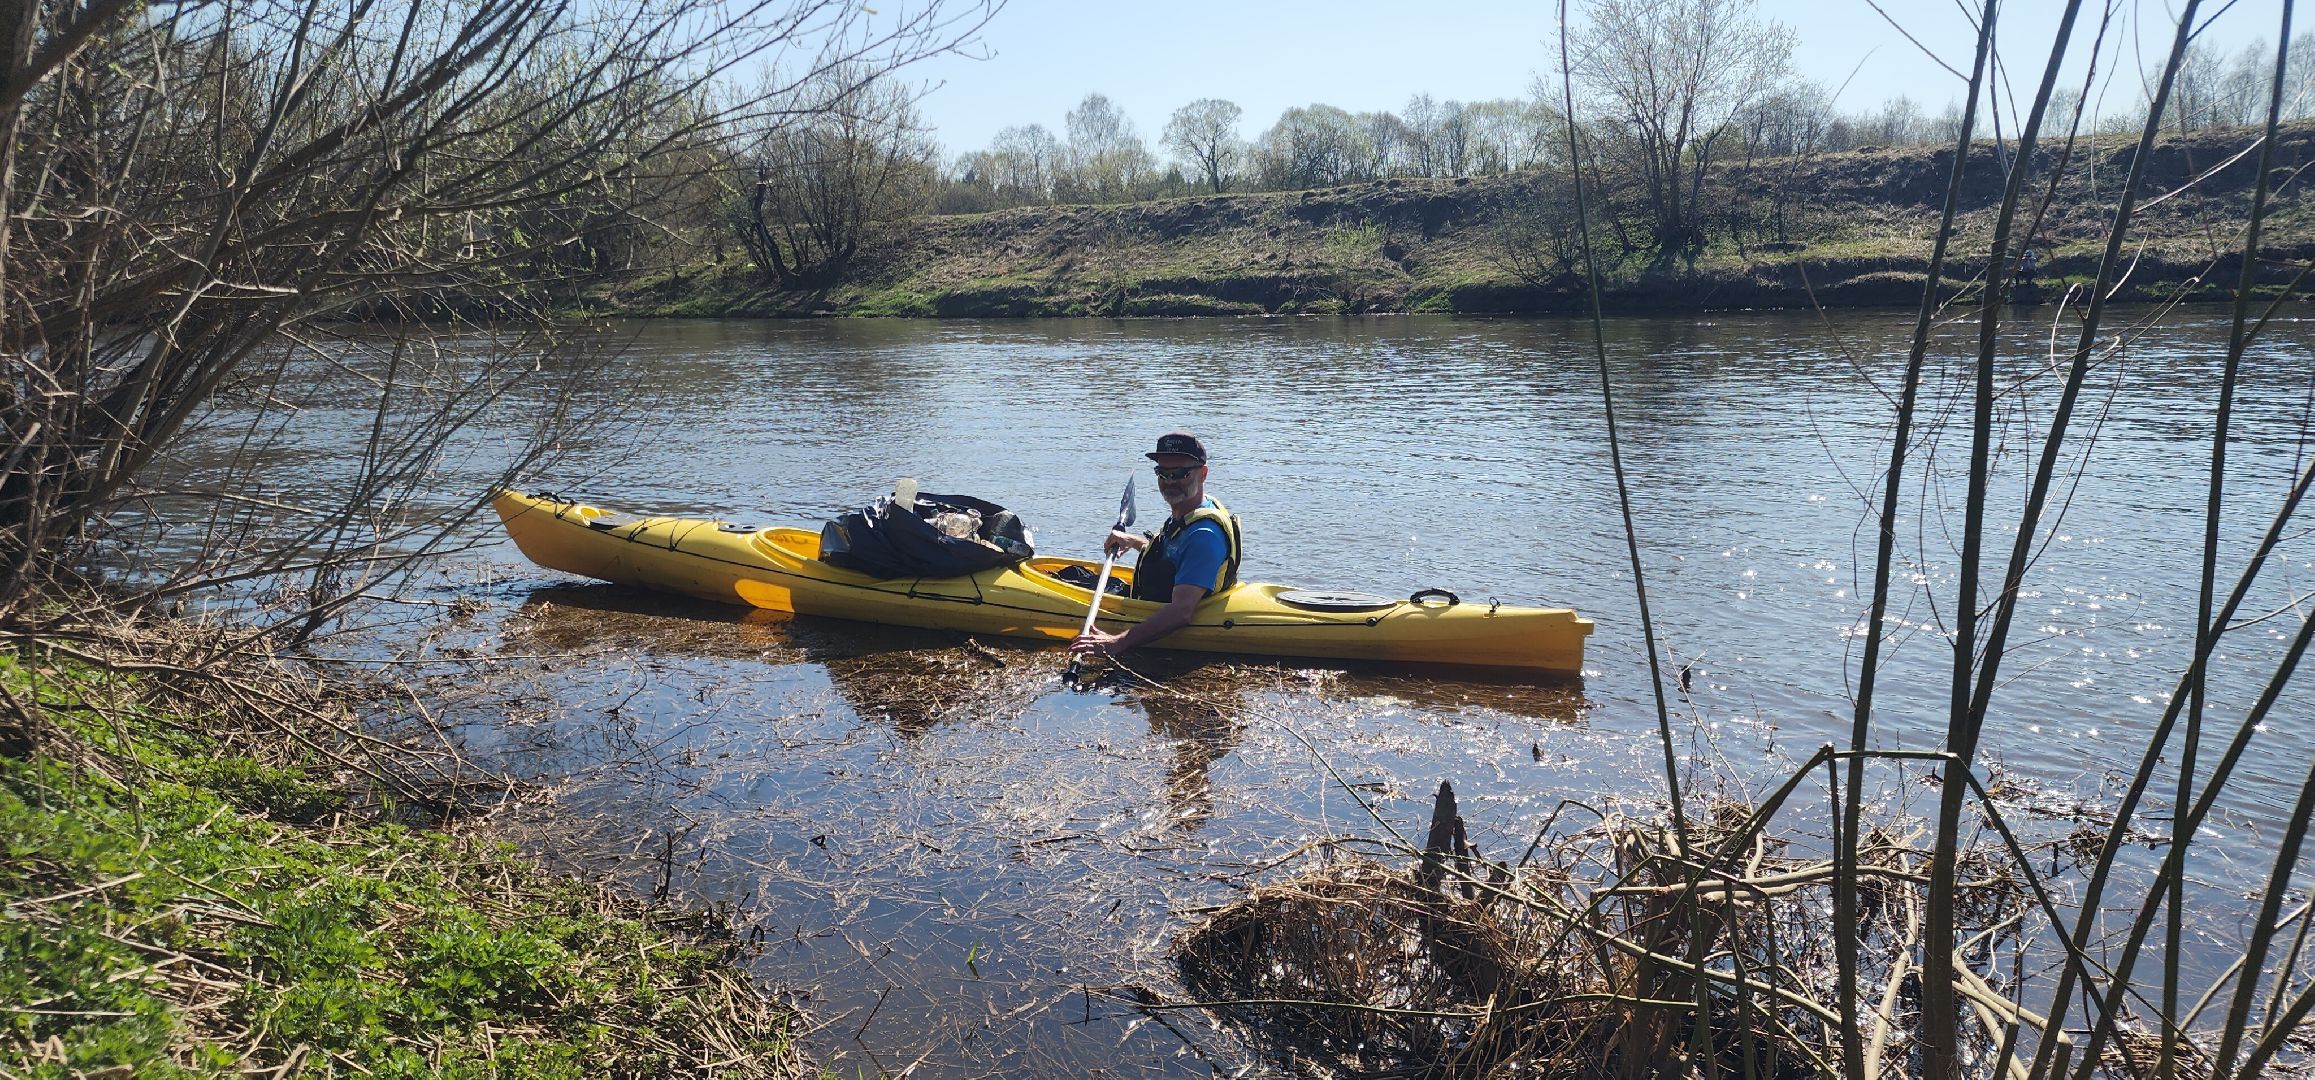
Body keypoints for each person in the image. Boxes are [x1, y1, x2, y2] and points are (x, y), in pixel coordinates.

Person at [1070, 431, 1242, 660]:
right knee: (1071, 575)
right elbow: (1175, 554)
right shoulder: (1192, 509)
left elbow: (1181, 612)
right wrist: (1133, 541)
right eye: (1163, 473)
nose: (1170, 481)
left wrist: (1117, 642)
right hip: (1153, 595)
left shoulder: (1204, 535)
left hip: (1168, 609)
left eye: (1181, 473)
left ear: (1203, 473)